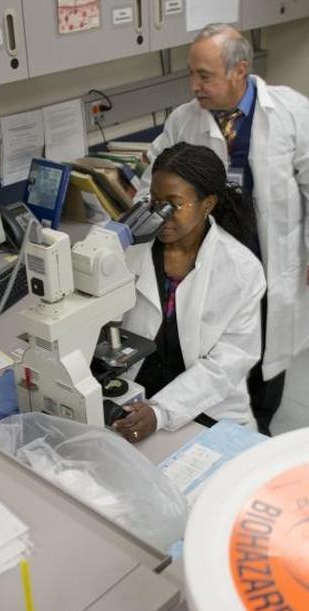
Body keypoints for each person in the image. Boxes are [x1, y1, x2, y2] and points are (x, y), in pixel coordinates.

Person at [139, 24, 309, 435]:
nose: (194, 86)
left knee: (268, 346)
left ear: (240, 70)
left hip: (271, 254)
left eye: (205, 76)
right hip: (211, 253)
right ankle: (207, 418)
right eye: (191, 74)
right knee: (216, 343)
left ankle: (261, 425)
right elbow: (152, 178)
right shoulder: (184, 120)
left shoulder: (289, 111)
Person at [112, 142, 265, 443]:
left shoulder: (240, 269)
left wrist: (161, 412)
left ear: (207, 204)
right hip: (133, 394)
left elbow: (227, 363)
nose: (161, 214)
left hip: (207, 407)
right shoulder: (130, 249)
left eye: (175, 204)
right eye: (154, 201)